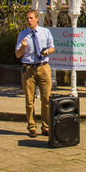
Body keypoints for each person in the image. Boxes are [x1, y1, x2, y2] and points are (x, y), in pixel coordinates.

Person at [15, 10, 55, 138]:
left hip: (43, 67)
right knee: (29, 100)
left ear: (37, 19)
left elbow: (52, 47)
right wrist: (22, 46)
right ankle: (31, 127)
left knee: (46, 99)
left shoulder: (45, 32)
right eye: (27, 18)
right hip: (28, 69)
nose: (29, 20)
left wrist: (47, 52)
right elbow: (17, 54)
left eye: (31, 18)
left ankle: (46, 126)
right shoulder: (23, 34)